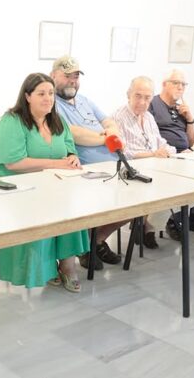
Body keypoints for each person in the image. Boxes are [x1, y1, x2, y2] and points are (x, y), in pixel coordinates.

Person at [0, 72, 89, 292]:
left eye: (50, 93)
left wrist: (72, 157)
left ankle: (68, 266)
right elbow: (14, 163)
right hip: (9, 184)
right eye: (41, 93)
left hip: (47, 183)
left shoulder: (57, 120)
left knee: (70, 208)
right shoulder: (11, 121)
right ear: (28, 96)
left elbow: (69, 147)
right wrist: (57, 164)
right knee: (41, 210)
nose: (48, 98)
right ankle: (44, 269)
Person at [50, 55, 128, 270]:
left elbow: (109, 121)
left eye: (75, 76)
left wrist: (111, 130)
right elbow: (73, 134)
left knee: (135, 206)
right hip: (88, 171)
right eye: (67, 76)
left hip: (116, 164)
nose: (72, 81)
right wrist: (105, 138)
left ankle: (96, 241)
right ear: (53, 76)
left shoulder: (85, 100)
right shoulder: (51, 102)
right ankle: (86, 246)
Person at [149, 69, 194, 239]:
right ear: (165, 84)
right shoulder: (153, 104)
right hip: (164, 154)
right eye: (176, 83)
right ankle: (173, 221)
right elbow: (149, 134)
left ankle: (193, 218)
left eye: (183, 85)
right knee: (183, 177)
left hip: (185, 152)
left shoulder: (180, 108)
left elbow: (190, 140)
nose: (180, 88)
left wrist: (190, 119)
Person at [112, 76, 174, 249]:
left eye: (147, 98)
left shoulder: (148, 117)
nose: (142, 101)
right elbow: (123, 153)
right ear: (128, 95)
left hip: (158, 167)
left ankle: (148, 224)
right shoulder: (118, 117)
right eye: (138, 96)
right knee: (168, 189)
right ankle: (147, 226)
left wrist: (169, 151)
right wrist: (153, 154)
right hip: (133, 171)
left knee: (184, 194)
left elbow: (161, 142)